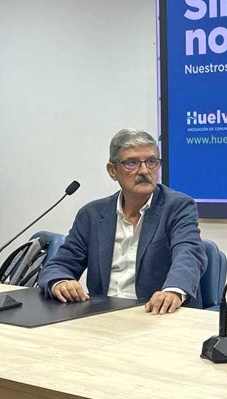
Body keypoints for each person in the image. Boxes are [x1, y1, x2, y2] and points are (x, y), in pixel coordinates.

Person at [39, 129, 206, 314]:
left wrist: (172, 291)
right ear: (112, 171)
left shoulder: (177, 206)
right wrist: (60, 282)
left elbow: (189, 253)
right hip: (101, 316)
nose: (144, 171)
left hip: (155, 315)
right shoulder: (92, 214)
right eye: (132, 163)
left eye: (151, 162)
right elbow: (58, 265)